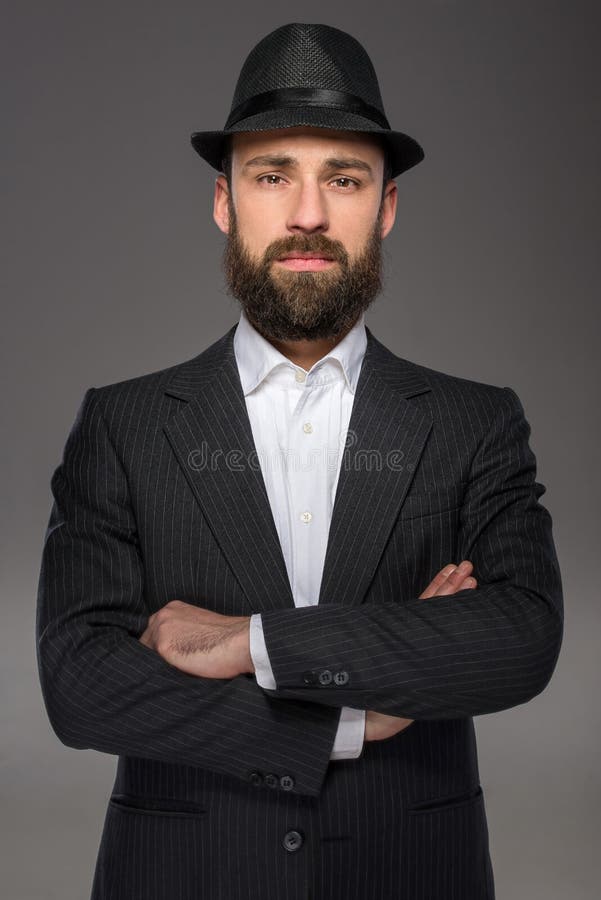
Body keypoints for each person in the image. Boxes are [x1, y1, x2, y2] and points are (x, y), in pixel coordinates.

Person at [36, 22, 563, 900]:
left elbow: (518, 638)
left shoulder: (476, 423)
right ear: (223, 200)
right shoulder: (122, 424)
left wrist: (249, 642)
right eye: (272, 175)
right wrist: (351, 721)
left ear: (386, 206)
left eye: (343, 179)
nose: (308, 214)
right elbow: (80, 682)